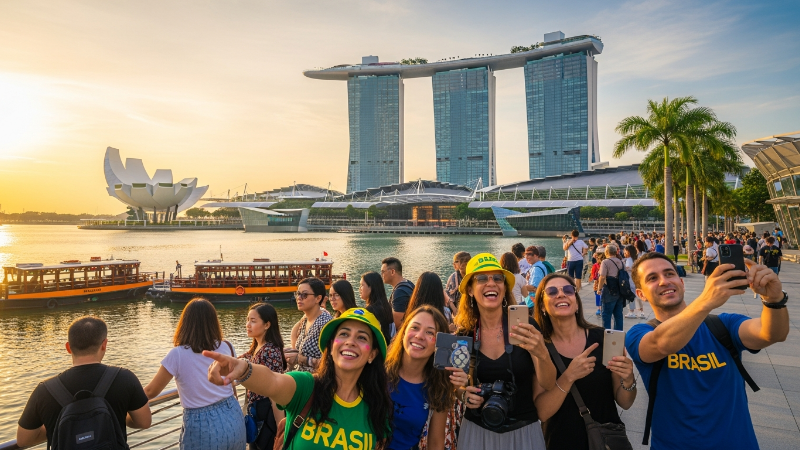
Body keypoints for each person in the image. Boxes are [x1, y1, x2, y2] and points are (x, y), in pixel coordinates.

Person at [626, 252, 790, 450]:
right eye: (652, 278)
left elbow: (771, 334)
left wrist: (774, 300)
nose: (664, 282)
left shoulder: (723, 325)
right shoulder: (639, 333)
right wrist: (706, 300)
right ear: (640, 293)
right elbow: (662, 344)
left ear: (681, 283)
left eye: (669, 274)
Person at [204, 308, 394, 450]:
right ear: (331, 347)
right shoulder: (307, 386)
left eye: (362, 338)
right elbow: (273, 382)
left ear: (372, 355)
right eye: (343, 334)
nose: (350, 341)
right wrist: (243, 368)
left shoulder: (376, 407)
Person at [449, 253, 556, 449]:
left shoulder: (525, 327)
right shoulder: (464, 333)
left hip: (524, 432)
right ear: (470, 290)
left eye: (497, 278)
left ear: (504, 287)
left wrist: (542, 353)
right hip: (477, 431)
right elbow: (458, 385)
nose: (491, 283)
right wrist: (463, 394)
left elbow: (548, 383)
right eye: (482, 278)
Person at [532, 274, 636, 449]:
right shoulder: (539, 347)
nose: (561, 294)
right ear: (542, 305)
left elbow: (625, 402)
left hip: (605, 443)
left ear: (576, 301)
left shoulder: (603, 338)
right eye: (551, 291)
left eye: (568, 290)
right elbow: (542, 412)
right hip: (560, 442)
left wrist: (628, 379)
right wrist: (569, 376)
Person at [16, 316, 151, 448]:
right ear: (104, 345)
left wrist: (56, 427)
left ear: (68, 348)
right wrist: (118, 417)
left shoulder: (45, 390)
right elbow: (144, 422)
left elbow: (23, 440)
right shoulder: (125, 378)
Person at [144, 298, 244, 450]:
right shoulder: (226, 346)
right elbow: (231, 383)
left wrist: (121, 404)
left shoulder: (177, 354)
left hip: (201, 424)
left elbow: (151, 391)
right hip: (232, 414)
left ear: (185, 323)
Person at [386, 305, 457, 450]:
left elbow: (436, 443)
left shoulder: (438, 387)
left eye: (430, 332)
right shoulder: (378, 372)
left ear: (438, 343)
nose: (419, 336)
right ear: (404, 331)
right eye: (415, 328)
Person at [242, 303, 288, 450]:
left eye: (253, 321)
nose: (248, 324)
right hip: (256, 411)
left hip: (266, 412)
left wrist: (281, 429)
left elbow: (275, 393)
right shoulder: (256, 348)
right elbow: (238, 361)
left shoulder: (270, 351)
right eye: (248, 319)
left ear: (267, 324)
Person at [287, 277, 332, 372]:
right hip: (301, 376)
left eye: (304, 295)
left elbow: (333, 363)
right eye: (298, 294)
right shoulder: (305, 320)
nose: (299, 298)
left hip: (317, 380)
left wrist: (301, 359)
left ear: (318, 298)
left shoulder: (326, 323)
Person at [596, 245, 625, 331]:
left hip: (609, 290)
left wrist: (599, 289)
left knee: (606, 315)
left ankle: (607, 335)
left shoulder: (605, 262)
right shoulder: (621, 262)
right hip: (620, 290)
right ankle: (618, 335)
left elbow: (602, 277)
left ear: (606, 252)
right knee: (618, 315)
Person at [361, 271, 396, 341]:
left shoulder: (370, 311)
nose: (360, 289)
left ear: (371, 287)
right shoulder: (386, 307)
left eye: (362, 285)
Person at [382, 257, 416, 330]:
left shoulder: (400, 292)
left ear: (392, 272)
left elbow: (398, 325)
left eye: (383, 272)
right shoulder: (409, 283)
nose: (382, 275)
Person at [623, 245, 646, 319]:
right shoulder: (634, 259)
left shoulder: (629, 260)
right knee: (638, 296)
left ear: (629, 252)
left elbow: (628, 268)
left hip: (630, 280)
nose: (624, 252)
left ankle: (631, 311)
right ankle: (641, 312)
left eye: (625, 251)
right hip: (634, 280)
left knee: (631, 296)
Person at [589, 251, 605, 317]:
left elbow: (593, 275)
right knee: (601, 296)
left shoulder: (595, 265)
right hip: (603, 282)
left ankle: (599, 308)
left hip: (597, 283)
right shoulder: (605, 265)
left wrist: (591, 279)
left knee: (597, 296)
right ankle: (601, 308)